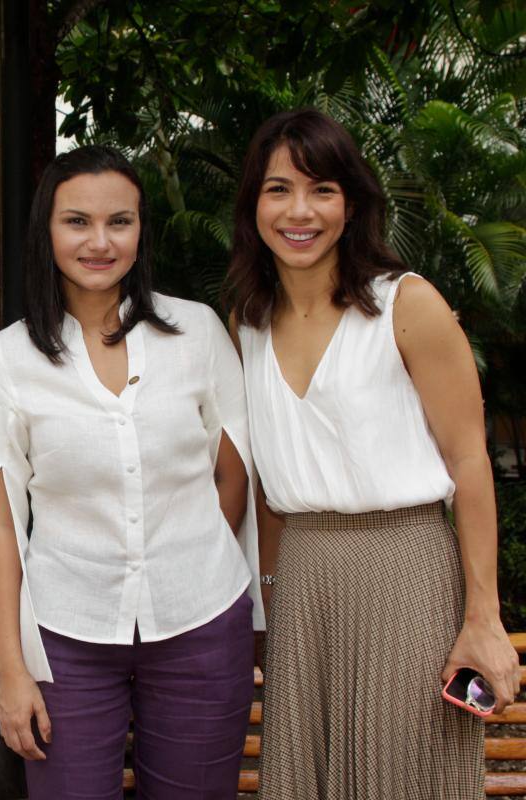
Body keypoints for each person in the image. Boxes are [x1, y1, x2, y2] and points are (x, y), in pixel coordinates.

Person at [0, 145, 265, 800]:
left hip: (201, 623)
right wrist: (12, 670)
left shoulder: (196, 333)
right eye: (77, 221)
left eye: (121, 221)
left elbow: (234, 477)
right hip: (63, 637)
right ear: (46, 231)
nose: (101, 242)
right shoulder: (8, 358)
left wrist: (181, 556)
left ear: (142, 228)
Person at [226, 108, 520, 800]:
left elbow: (471, 465)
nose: (300, 211)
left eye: (322, 189)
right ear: (253, 206)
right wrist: (270, 607)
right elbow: (268, 492)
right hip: (302, 583)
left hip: (405, 571)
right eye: (279, 189)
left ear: (352, 204)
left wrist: (484, 615)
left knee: (403, 775)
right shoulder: (247, 324)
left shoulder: (406, 305)